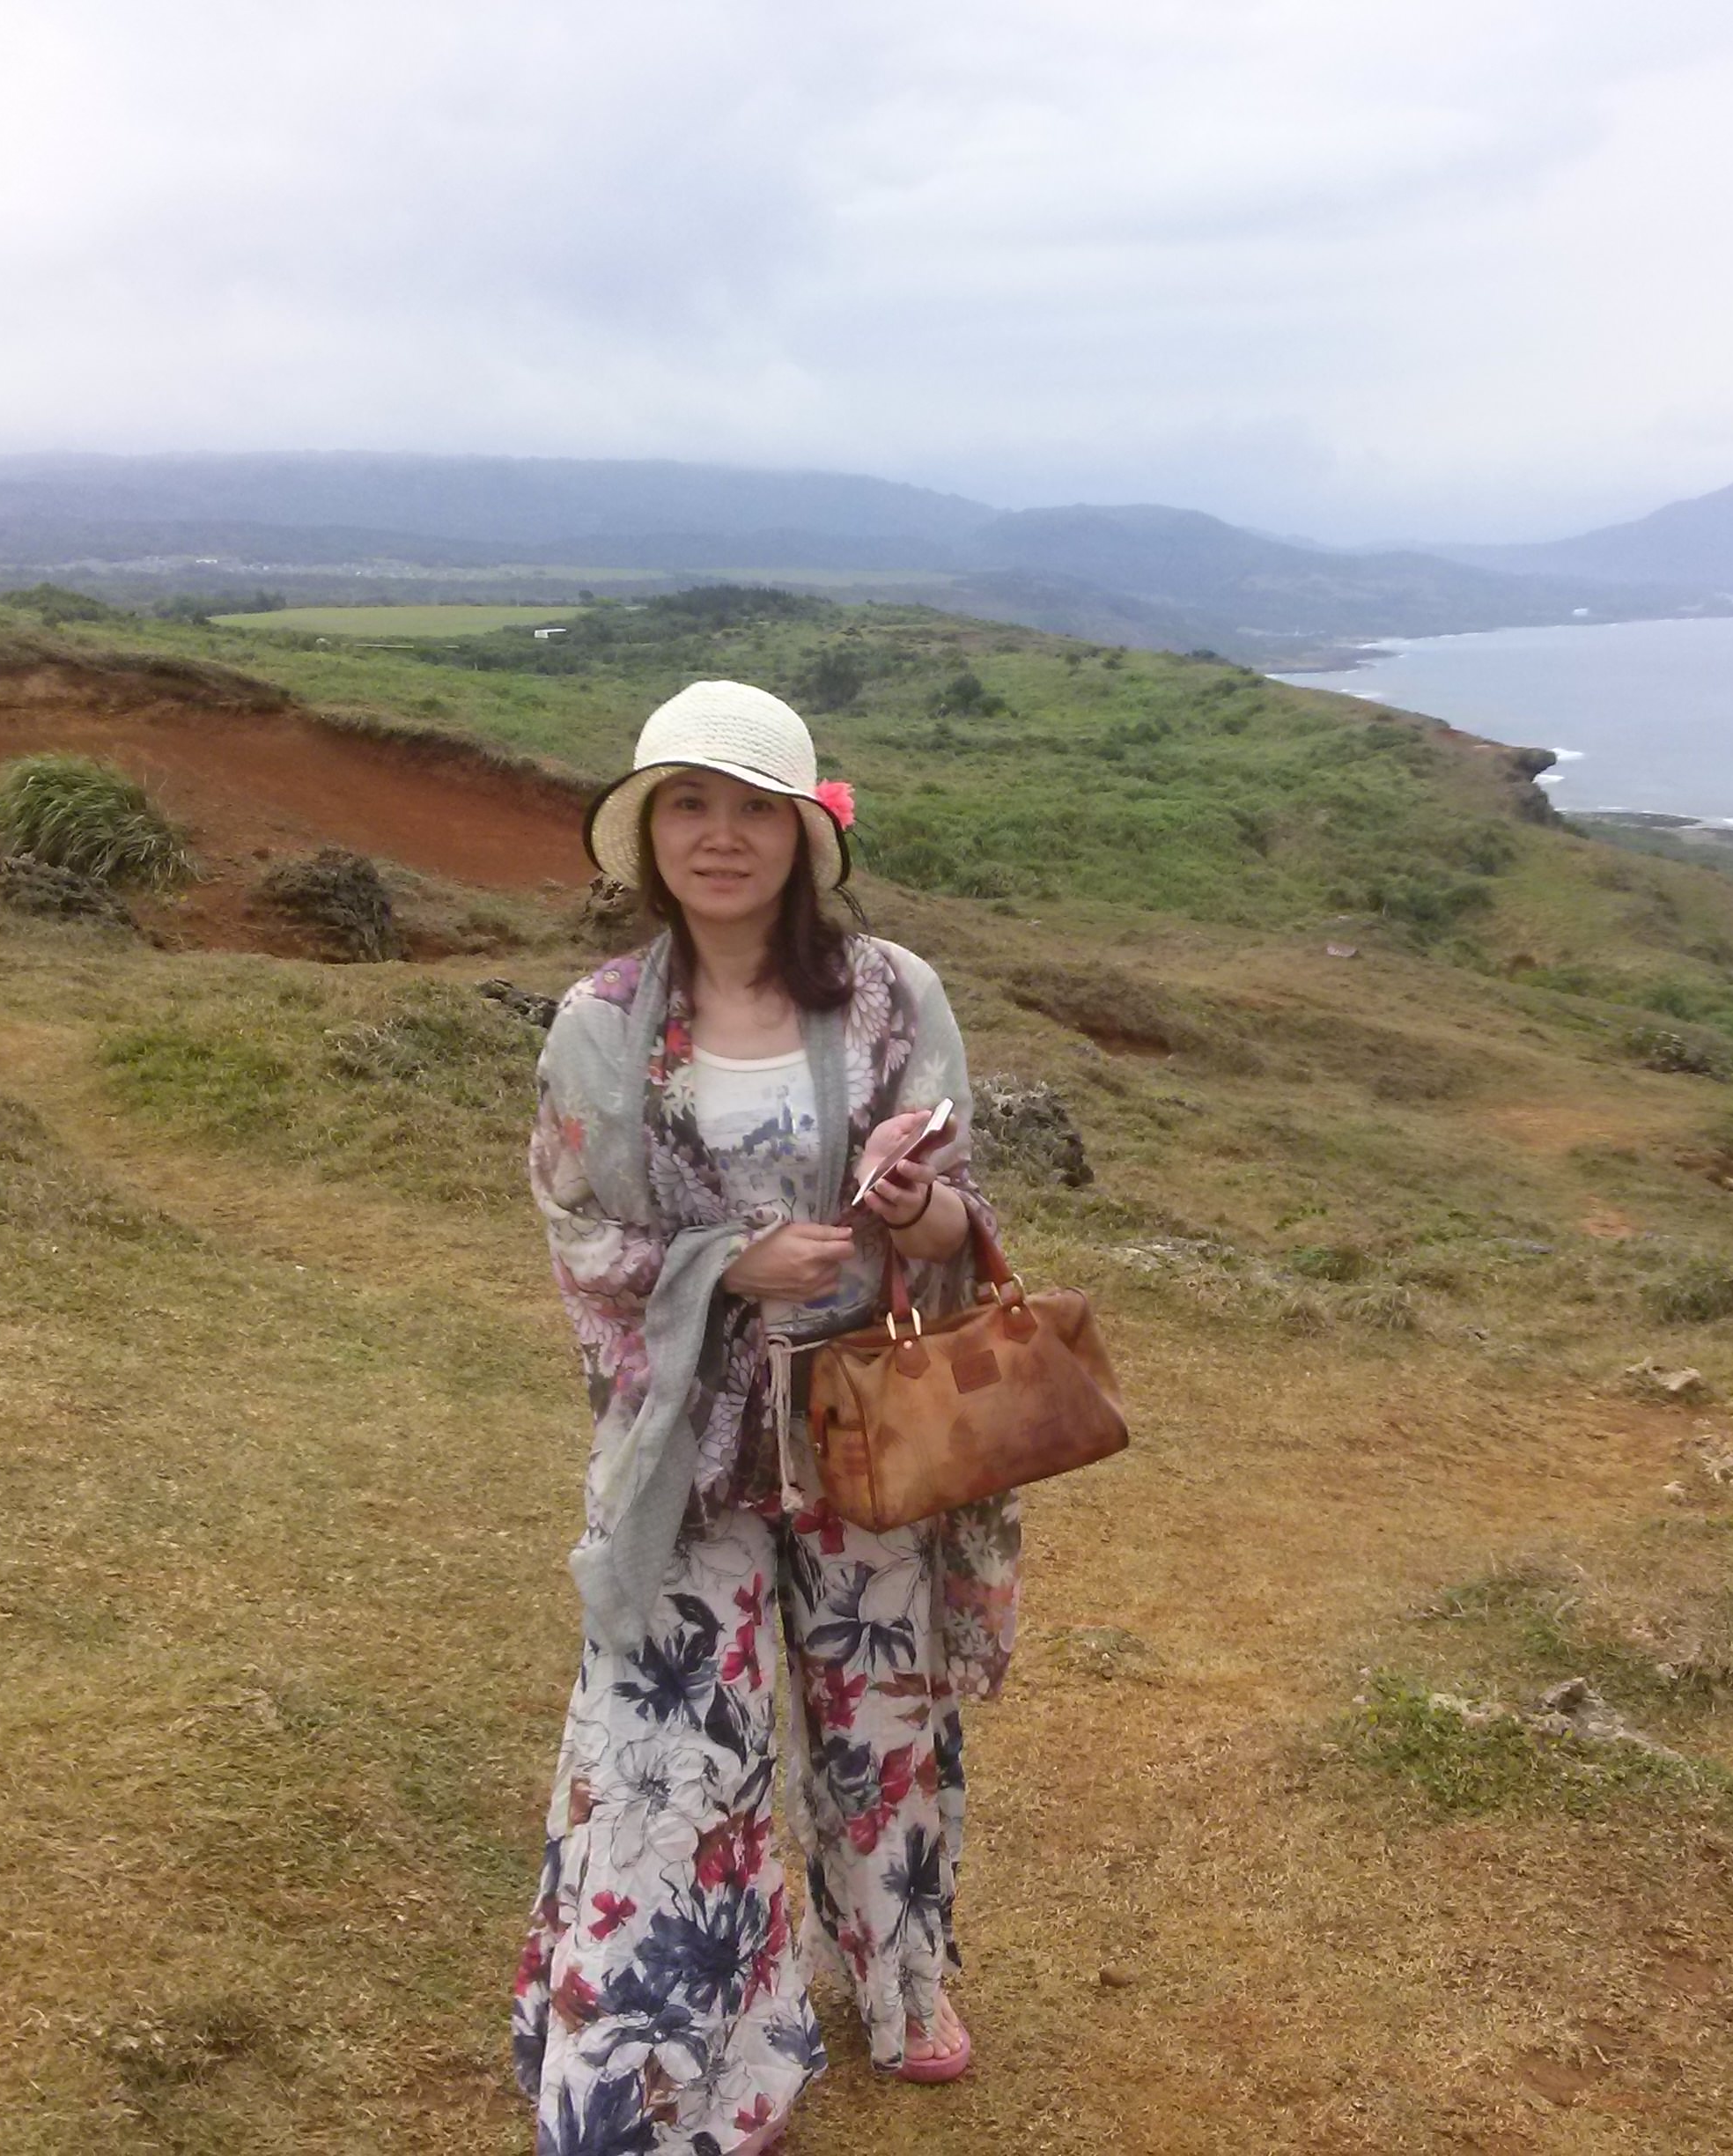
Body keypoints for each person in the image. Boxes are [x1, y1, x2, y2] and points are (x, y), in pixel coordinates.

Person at [509, 679, 1022, 2155]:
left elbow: (963, 1219)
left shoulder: (893, 996)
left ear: (805, 835)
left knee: (880, 1721)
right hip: (694, 1443)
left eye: (753, 808)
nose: (720, 836)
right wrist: (726, 1266)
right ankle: (683, 2059)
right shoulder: (599, 1024)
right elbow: (577, 1232)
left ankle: (901, 1977)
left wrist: (915, 1210)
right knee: (674, 1746)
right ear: (648, 831)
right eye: (689, 804)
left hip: (871, 1425)